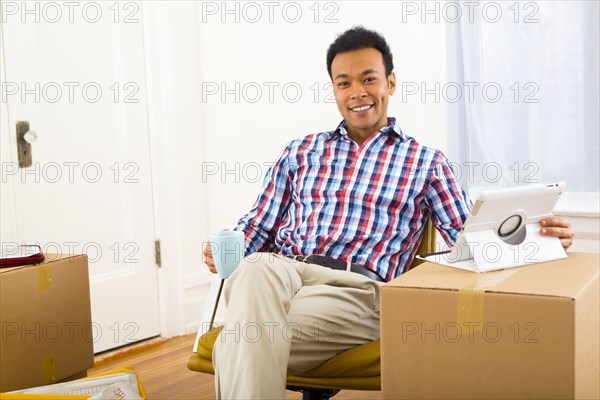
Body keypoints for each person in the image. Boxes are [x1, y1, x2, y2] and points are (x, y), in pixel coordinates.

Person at [203, 26, 574, 399]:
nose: (357, 93)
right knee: (253, 267)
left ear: (390, 83)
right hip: (281, 276)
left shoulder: (426, 162)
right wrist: (225, 249)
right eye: (344, 83)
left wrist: (536, 239)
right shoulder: (300, 151)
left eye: (369, 79)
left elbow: (471, 239)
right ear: (334, 90)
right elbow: (257, 226)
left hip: (356, 290)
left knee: (239, 339)